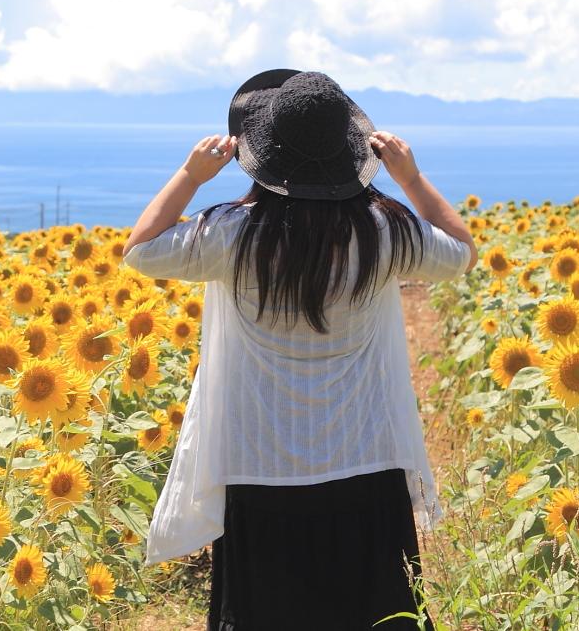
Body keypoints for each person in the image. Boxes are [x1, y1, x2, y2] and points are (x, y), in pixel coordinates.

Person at [123, 69, 477, 630]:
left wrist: (190, 176)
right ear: (351, 153)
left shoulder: (233, 235)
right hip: (367, 464)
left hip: (259, 467)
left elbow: (140, 251)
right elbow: (462, 251)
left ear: (260, 157)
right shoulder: (385, 233)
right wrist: (411, 176)